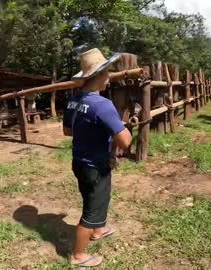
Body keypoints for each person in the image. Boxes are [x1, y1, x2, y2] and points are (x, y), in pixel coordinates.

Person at [62, 48, 132, 267]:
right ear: (99, 75)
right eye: (107, 72)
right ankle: (78, 255)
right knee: (92, 208)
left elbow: (67, 131)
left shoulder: (74, 100)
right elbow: (126, 141)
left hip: (79, 161)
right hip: (96, 165)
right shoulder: (103, 105)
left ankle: (99, 229)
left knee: (92, 197)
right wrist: (122, 127)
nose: (110, 76)